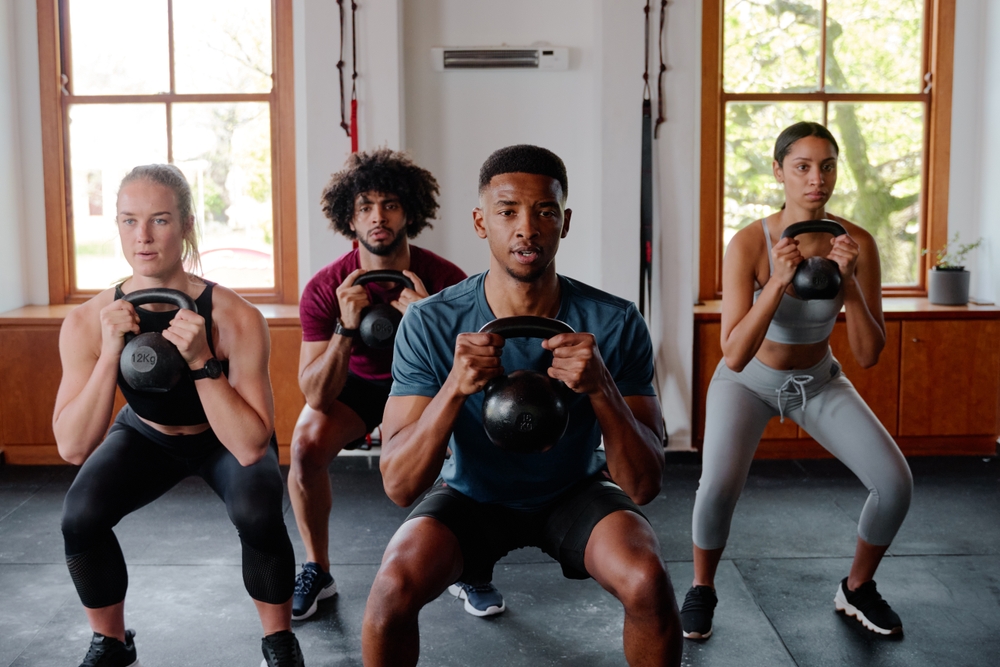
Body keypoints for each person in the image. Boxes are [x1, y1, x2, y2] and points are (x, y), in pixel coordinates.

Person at [361, 144, 684, 667]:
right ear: (480, 221)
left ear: (565, 221)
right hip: (471, 494)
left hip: (574, 490)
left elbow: (643, 484)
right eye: (507, 211)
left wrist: (600, 384)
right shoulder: (431, 322)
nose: (526, 229)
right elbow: (398, 485)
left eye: (545, 212)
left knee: (648, 580)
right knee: (391, 590)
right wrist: (454, 388)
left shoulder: (616, 321)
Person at [53, 164, 305, 667]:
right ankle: (111, 643)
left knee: (258, 510)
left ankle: (279, 642)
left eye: (160, 220)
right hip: (147, 436)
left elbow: (252, 445)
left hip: (224, 437)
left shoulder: (236, 317)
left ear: (187, 223)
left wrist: (200, 362)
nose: (142, 237)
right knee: (79, 518)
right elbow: (74, 446)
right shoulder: (87, 321)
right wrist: (109, 354)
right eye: (128, 221)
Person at [681, 122, 913, 640]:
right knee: (717, 487)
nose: (817, 178)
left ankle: (857, 588)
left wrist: (849, 281)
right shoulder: (750, 243)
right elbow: (735, 355)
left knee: (895, 485)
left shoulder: (859, 244)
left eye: (827, 165)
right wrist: (778, 283)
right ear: (779, 171)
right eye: (803, 166)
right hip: (748, 382)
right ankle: (702, 588)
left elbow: (868, 354)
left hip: (819, 379)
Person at [289, 149, 498, 621]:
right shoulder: (327, 287)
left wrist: (429, 322)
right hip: (358, 385)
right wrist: (345, 329)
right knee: (304, 445)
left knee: (476, 441)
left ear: (409, 211)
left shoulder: (445, 281)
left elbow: (472, 375)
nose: (377, 217)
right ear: (350, 217)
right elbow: (317, 394)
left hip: (425, 385)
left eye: (389, 205)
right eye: (364, 207)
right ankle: (317, 568)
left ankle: (471, 568)